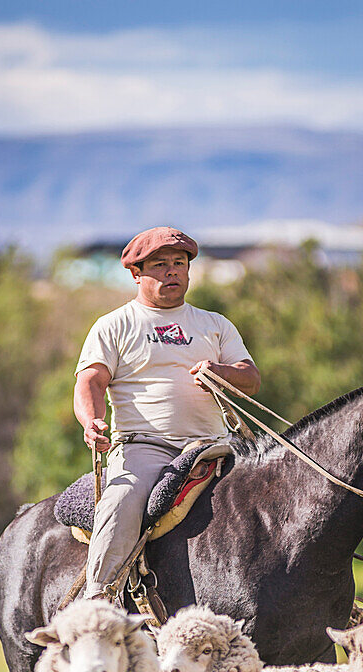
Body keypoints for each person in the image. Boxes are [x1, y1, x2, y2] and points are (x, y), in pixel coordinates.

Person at [74, 226, 260, 600]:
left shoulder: (215, 324)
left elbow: (250, 378)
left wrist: (220, 373)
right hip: (145, 448)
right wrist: (91, 421)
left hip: (214, 446)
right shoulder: (113, 325)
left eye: (179, 263)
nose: (172, 271)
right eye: (160, 265)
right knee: (122, 499)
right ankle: (98, 602)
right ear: (136, 273)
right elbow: (90, 382)